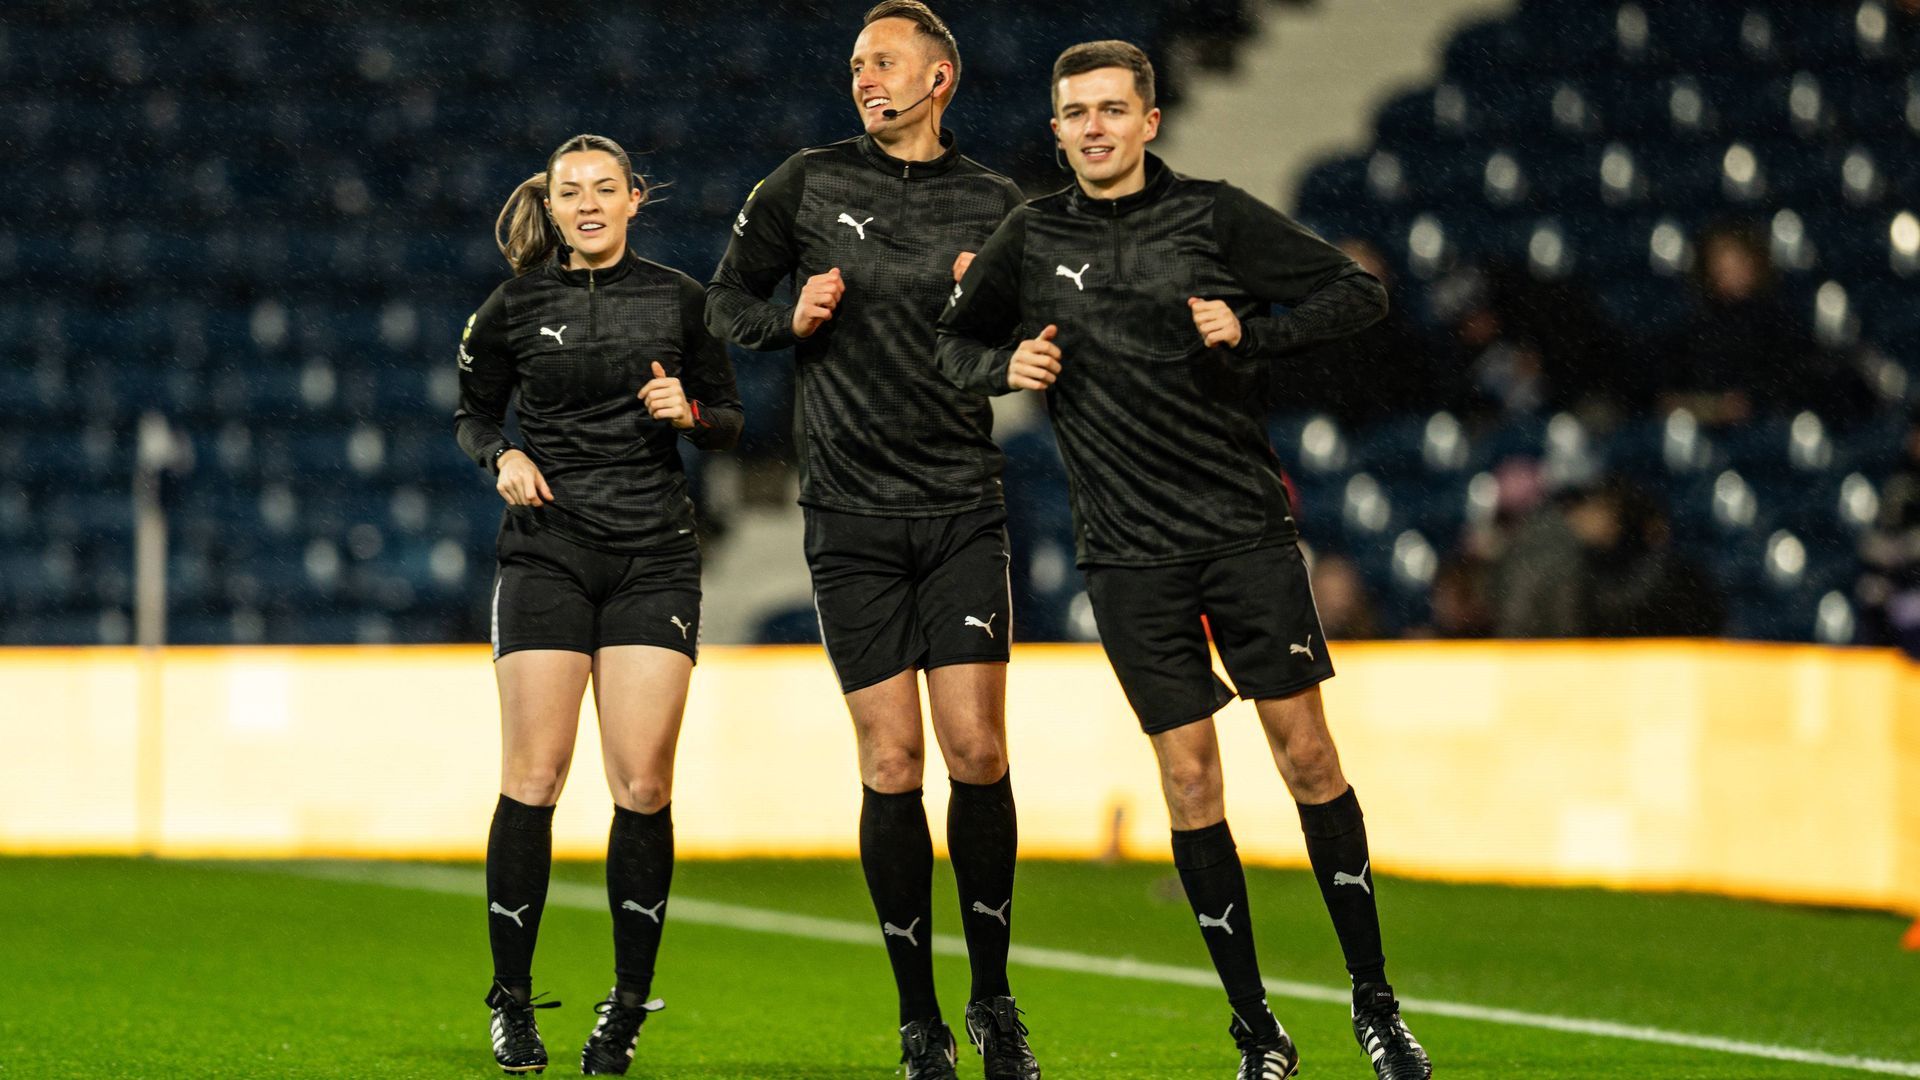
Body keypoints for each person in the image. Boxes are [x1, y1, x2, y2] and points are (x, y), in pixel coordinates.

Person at [936, 41, 1431, 1080]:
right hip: (1125, 558)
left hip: (1243, 534)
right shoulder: (1031, 235)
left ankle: (1377, 1006)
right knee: (1189, 780)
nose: (1094, 129)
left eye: (1113, 110)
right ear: (1061, 127)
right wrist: (1001, 365)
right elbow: (951, 346)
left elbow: (1358, 296)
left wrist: (1252, 330)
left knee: (1309, 760)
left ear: (1150, 120)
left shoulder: (1213, 217)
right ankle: (1258, 1032)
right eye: (1076, 114)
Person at [704, 5, 1038, 1079]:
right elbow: (722, 302)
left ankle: (992, 1000)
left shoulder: (996, 205)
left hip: (959, 505)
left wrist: (991, 326)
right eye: (854, 63)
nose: (864, 77)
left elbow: (1038, 341)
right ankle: (918, 1019)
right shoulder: (804, 183)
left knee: (977, 752)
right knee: (893, 761)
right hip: (847, 515)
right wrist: (787, 318)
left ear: (941, 76)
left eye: (883, 60)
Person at [454, 133, 742, 1076]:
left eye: (604, 189)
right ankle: (513, 1002)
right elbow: (473, 413)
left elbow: (734, 418)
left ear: (633, 200)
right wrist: (504, 456)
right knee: (534, 778)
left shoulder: (680, 300)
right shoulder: (512, 306)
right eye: (569, 191)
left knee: (643, 786)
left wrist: (688, 414)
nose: (587, 204)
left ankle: (624, 1008)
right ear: (551, 202)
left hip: (653, 558)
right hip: (546, 555)